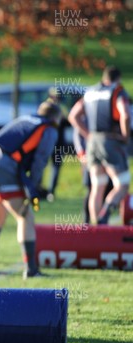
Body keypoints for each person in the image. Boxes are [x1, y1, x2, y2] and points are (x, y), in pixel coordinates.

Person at [0, 101, 61, 279]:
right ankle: (31, 269)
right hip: (2, 166)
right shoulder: (48, 128)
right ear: (55, 117)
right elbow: (40, 160)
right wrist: (33, 187)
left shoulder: (25, 119)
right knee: (25, 216)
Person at [68, 66, 130, 225]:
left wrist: (88, 135)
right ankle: (104, 214)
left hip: (92, 143)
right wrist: (125, 135)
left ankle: (97, 228)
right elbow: (125, 114)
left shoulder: (90, 92)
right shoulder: (117, 91)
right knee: (122, 185)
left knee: (97, 186)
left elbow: (73, 115)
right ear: (118, 79)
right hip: (110, 141)